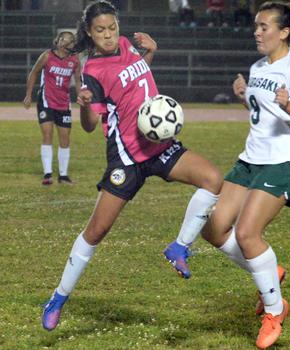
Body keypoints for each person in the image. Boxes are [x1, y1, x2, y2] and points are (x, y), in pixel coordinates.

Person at [41, 0, 222, 331]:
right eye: (100, 31)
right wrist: (82, 104)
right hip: (128, 158)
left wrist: (149, 55)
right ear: (89, 33)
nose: (109, 35)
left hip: (160, 147)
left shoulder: (127, 46)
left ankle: (179, 247)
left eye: (112, 28)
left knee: (212, 179)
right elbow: (90, 125)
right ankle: (58, 296)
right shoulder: (93, 72)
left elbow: (134, 85)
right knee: (96, 231)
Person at [166, 1, 290, 348]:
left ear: (284, 33)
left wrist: (289, 105)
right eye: (256, 26)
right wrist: (242, 97)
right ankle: (268, 273)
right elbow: (261, 113)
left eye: (264, 26)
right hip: (250, 160)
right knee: (214, 228)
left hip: (283, 162)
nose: (257, 32)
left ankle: (274, 310)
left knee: (249, 234)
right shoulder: (258, 66)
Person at [23, 31, 81, 185]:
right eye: (65, 39)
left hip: (64, 102)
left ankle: (63, 175)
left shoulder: (74, 60)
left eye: (70, 40)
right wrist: (28, 95)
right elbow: (34, 73)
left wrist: (80, 95)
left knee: (65, 138)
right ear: (59, 41)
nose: (67, 42)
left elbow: (78, 80)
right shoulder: (47, 56)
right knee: (47, 134)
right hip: (46, 100)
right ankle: (47, 174)